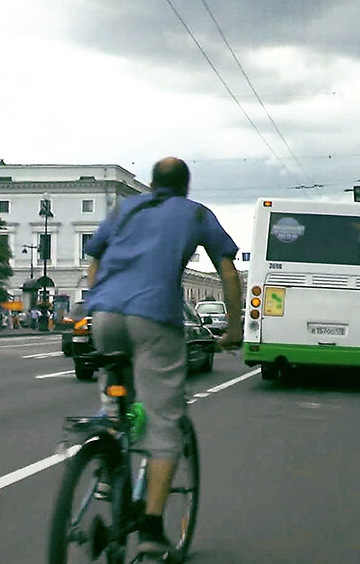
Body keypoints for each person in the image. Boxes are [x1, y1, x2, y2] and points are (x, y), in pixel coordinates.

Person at [83, 157, 243, 555]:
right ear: (185, 186)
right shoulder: (195, 213)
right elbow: (227, 270)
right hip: (154, 316)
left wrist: (95, 302)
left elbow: (95, 259)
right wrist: (235, 328)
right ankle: (152, 529)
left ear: (152, 184)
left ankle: (106, 464)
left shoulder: (124, 208)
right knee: (165, 423)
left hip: (104, 314)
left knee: (112, 394)